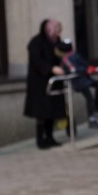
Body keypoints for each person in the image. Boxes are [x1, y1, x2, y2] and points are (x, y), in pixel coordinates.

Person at [22, 19, 71, 149]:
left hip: (54, 82)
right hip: (40, 83)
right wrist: (50, 68)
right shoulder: (36, 42)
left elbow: (62, 53)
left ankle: (50, 137)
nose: (58, 34)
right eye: (56, 31)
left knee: (52, 111)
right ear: (48, 30)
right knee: (41, 113)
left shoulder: (56, 41)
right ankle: (40, 139)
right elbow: (37, 61)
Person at [59, 43, 98, 129]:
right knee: (89, 98)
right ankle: (92, 119)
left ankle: (97, 104)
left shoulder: (74, 55)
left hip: (85, 78)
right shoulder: (66, 59)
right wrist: (85, 70)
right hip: (78, 81)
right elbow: (73, 69)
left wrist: (88, 68)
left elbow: (83, 63)